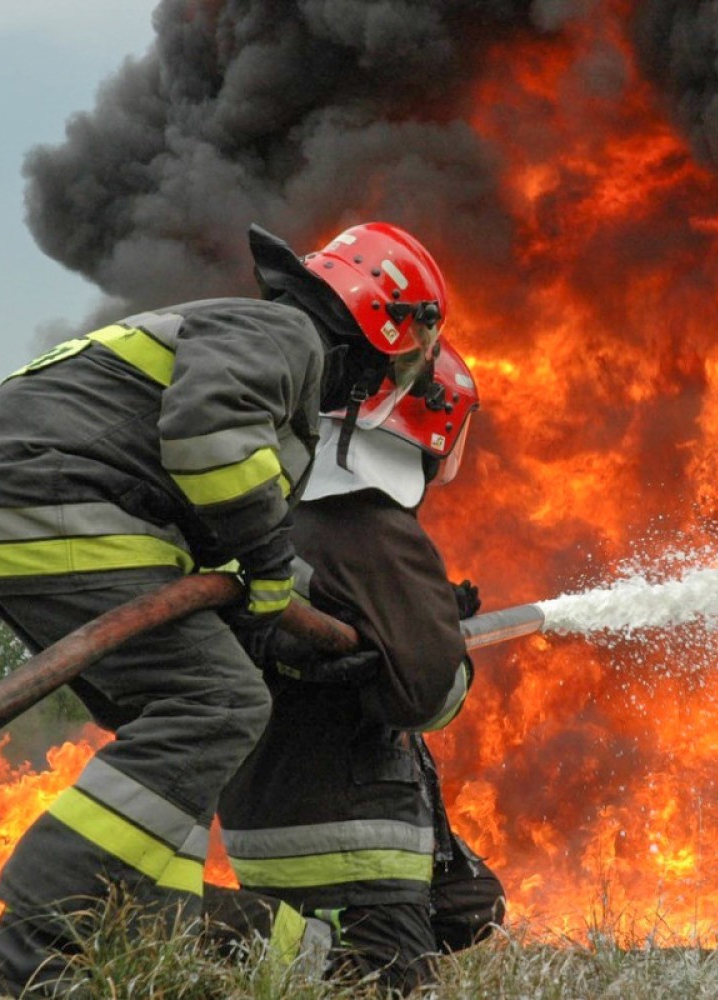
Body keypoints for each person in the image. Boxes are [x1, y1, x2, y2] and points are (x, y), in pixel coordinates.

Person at [0, 220, 453, 997]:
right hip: (57, 497)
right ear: (383, 322)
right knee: (217, 702)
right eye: (408, 355)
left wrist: (301, 619)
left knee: (173, 736)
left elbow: (217, 537)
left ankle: (125, 928)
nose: (391, 378)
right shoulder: (286, 335)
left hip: (17, 508)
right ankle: (26, 954)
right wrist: (275, 570)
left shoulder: (255, 341)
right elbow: (210, 441)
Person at [205, 337, 505, 994]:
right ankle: (197, 930)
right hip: (349, 831)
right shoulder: (371, 524)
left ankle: (297, 947)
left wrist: (413, 621)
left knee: (472, 905)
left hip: (265, 814)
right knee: (382, 983)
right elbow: (431, 697)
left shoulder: (274, 512)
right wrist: (440, 644)